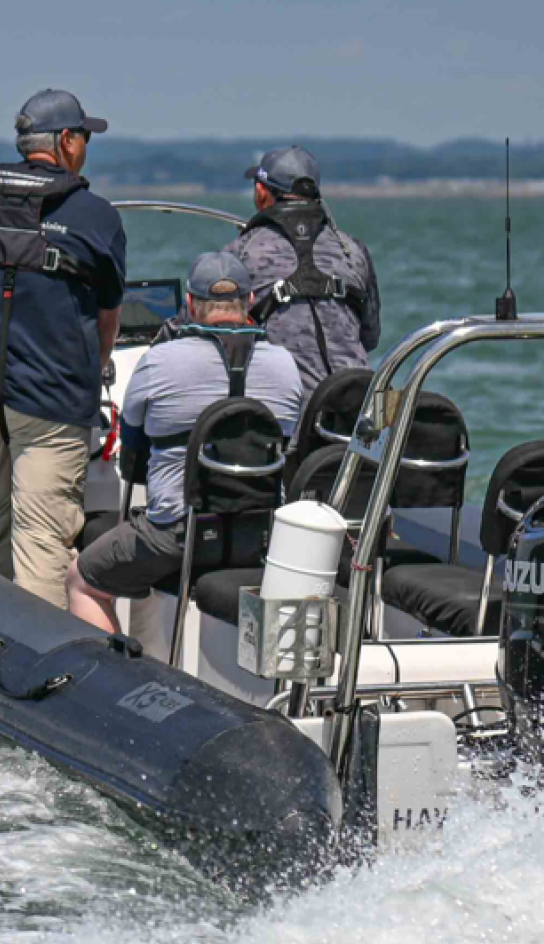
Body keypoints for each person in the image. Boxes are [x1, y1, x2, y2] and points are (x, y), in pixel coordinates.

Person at [0, 89, 127, 608]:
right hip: (50, 405)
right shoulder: (96, 217)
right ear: (66, 142)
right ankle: (40, 678)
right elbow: (108, 312)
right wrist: (92, 372)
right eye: (84, 137)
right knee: (42, 547)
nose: (86, 146)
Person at [67, 253, 304, 632]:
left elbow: (133, 459)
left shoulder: (160, 361)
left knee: (81, 579)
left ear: (190, 304)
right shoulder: (285, 365)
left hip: (176, 537)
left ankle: (114, 672)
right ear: (251, 303)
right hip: (258, 535)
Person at [223, 145, 381, 393]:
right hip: (358, 407)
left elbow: (206, 331)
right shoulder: (353, 249)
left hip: (287, 413)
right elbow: (370, 337)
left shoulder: (240, 253)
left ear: (262, 192)